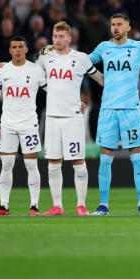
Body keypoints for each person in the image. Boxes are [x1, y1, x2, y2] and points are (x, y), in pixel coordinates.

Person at [88, 13, 140, 216]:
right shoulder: (104, 47)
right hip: (108, 110)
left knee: (137, 159)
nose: (116, 28)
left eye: (119, 24)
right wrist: (99, 77)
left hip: (130, 110)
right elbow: (83, 63)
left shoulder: (139, 47)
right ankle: (103, 205)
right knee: (105, 160)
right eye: (113, 25)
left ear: (129, 27)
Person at [37, 22, 104, 216]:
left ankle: (81, 205)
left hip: (73, 118)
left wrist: (119, 86)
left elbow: (99, 78)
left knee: (78, 161)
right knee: (53, 163)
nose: (57, 40)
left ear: (70, 38)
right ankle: (57, 206)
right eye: (55, 36)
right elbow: (33, 75)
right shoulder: (45, 56)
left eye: (61, 36)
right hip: (52, 117)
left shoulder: (81, 58)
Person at [0, 36, 46, 216]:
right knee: (6, 164)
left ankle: (34, 206)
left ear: (26, 49)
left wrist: (72, 103)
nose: (17, 50)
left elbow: (52, 91)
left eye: (21, 46)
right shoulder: (2, 71)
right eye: (14, 47)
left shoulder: (36, 70)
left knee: (31, 164)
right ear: (9, 50)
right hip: (7, 125)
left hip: (29, 124)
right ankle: (3, 206)